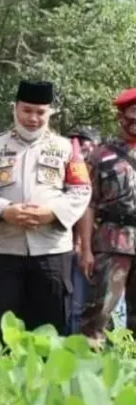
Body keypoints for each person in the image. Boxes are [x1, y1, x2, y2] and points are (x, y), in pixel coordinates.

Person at [0, 80, 91, 342]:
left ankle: (45, 382)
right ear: (15, 109)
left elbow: (81, 191)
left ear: (50, 113)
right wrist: (5, 210)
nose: (33, 118)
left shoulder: (66, 149)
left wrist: (51, 213)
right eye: (26, 110)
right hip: (5, 252)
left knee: (49, 329)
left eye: (40, 112)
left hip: (52, 254)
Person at [78, 88, 136, 346]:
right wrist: (85, 248)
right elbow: (88, 205)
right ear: (122, 117)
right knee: (98, 314)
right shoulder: (101, 156)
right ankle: (91, 373)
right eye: (133, 114)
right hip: (113, 242)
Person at [66, 127, 100, 334]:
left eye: (83, 141)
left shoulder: (101, 169)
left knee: (89, 305)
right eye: (73, 141)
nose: (78, 145)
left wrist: (82, 245)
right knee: (70, 303)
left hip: (98, 248)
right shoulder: (63, 171)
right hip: (64, 247)